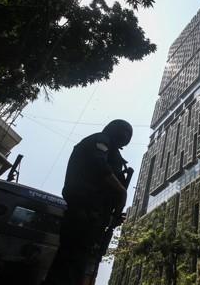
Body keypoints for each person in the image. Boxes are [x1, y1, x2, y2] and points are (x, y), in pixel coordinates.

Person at [43, 120, 133, 285]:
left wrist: (113, 215)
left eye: (129, 134)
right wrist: (121, 190)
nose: (126, 136)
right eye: (124, 131)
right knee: (69, 264)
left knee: (78, 265)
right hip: (83, 210)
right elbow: (97, 164)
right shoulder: (101, 139)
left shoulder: (113, 152)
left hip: (95, 217)